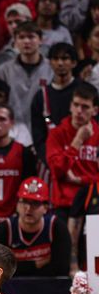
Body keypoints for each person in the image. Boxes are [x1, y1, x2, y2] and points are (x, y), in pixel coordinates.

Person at [0, 177, 71, 277]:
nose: (28, 208)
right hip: (12, 288)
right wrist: (35, 264)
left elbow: (61, 269)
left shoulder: (56, 227)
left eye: (35, 203)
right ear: (17, 205)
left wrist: (17, 266)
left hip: (47, 286)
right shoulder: (4, 229)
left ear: (45, 208)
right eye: (24, 201)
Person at [47, 83, 99, 221]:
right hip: (64, 206)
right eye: (75, 105)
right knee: (65, 243)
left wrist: (80, 180)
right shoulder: (56, 134)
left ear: (95, 110)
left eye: (85, 107)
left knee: (93, 243)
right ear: (70, 106)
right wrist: (77, 141)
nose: (78, 111)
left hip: (94, 206)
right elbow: (57, 170)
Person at [0, 22, 53, 130]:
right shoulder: (4, 70)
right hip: (12, 129)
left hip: (43, 127)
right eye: (21, 37)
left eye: (31, 37)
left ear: (41, 40)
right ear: (15, 41)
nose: (26, 41)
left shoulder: (51, 68)